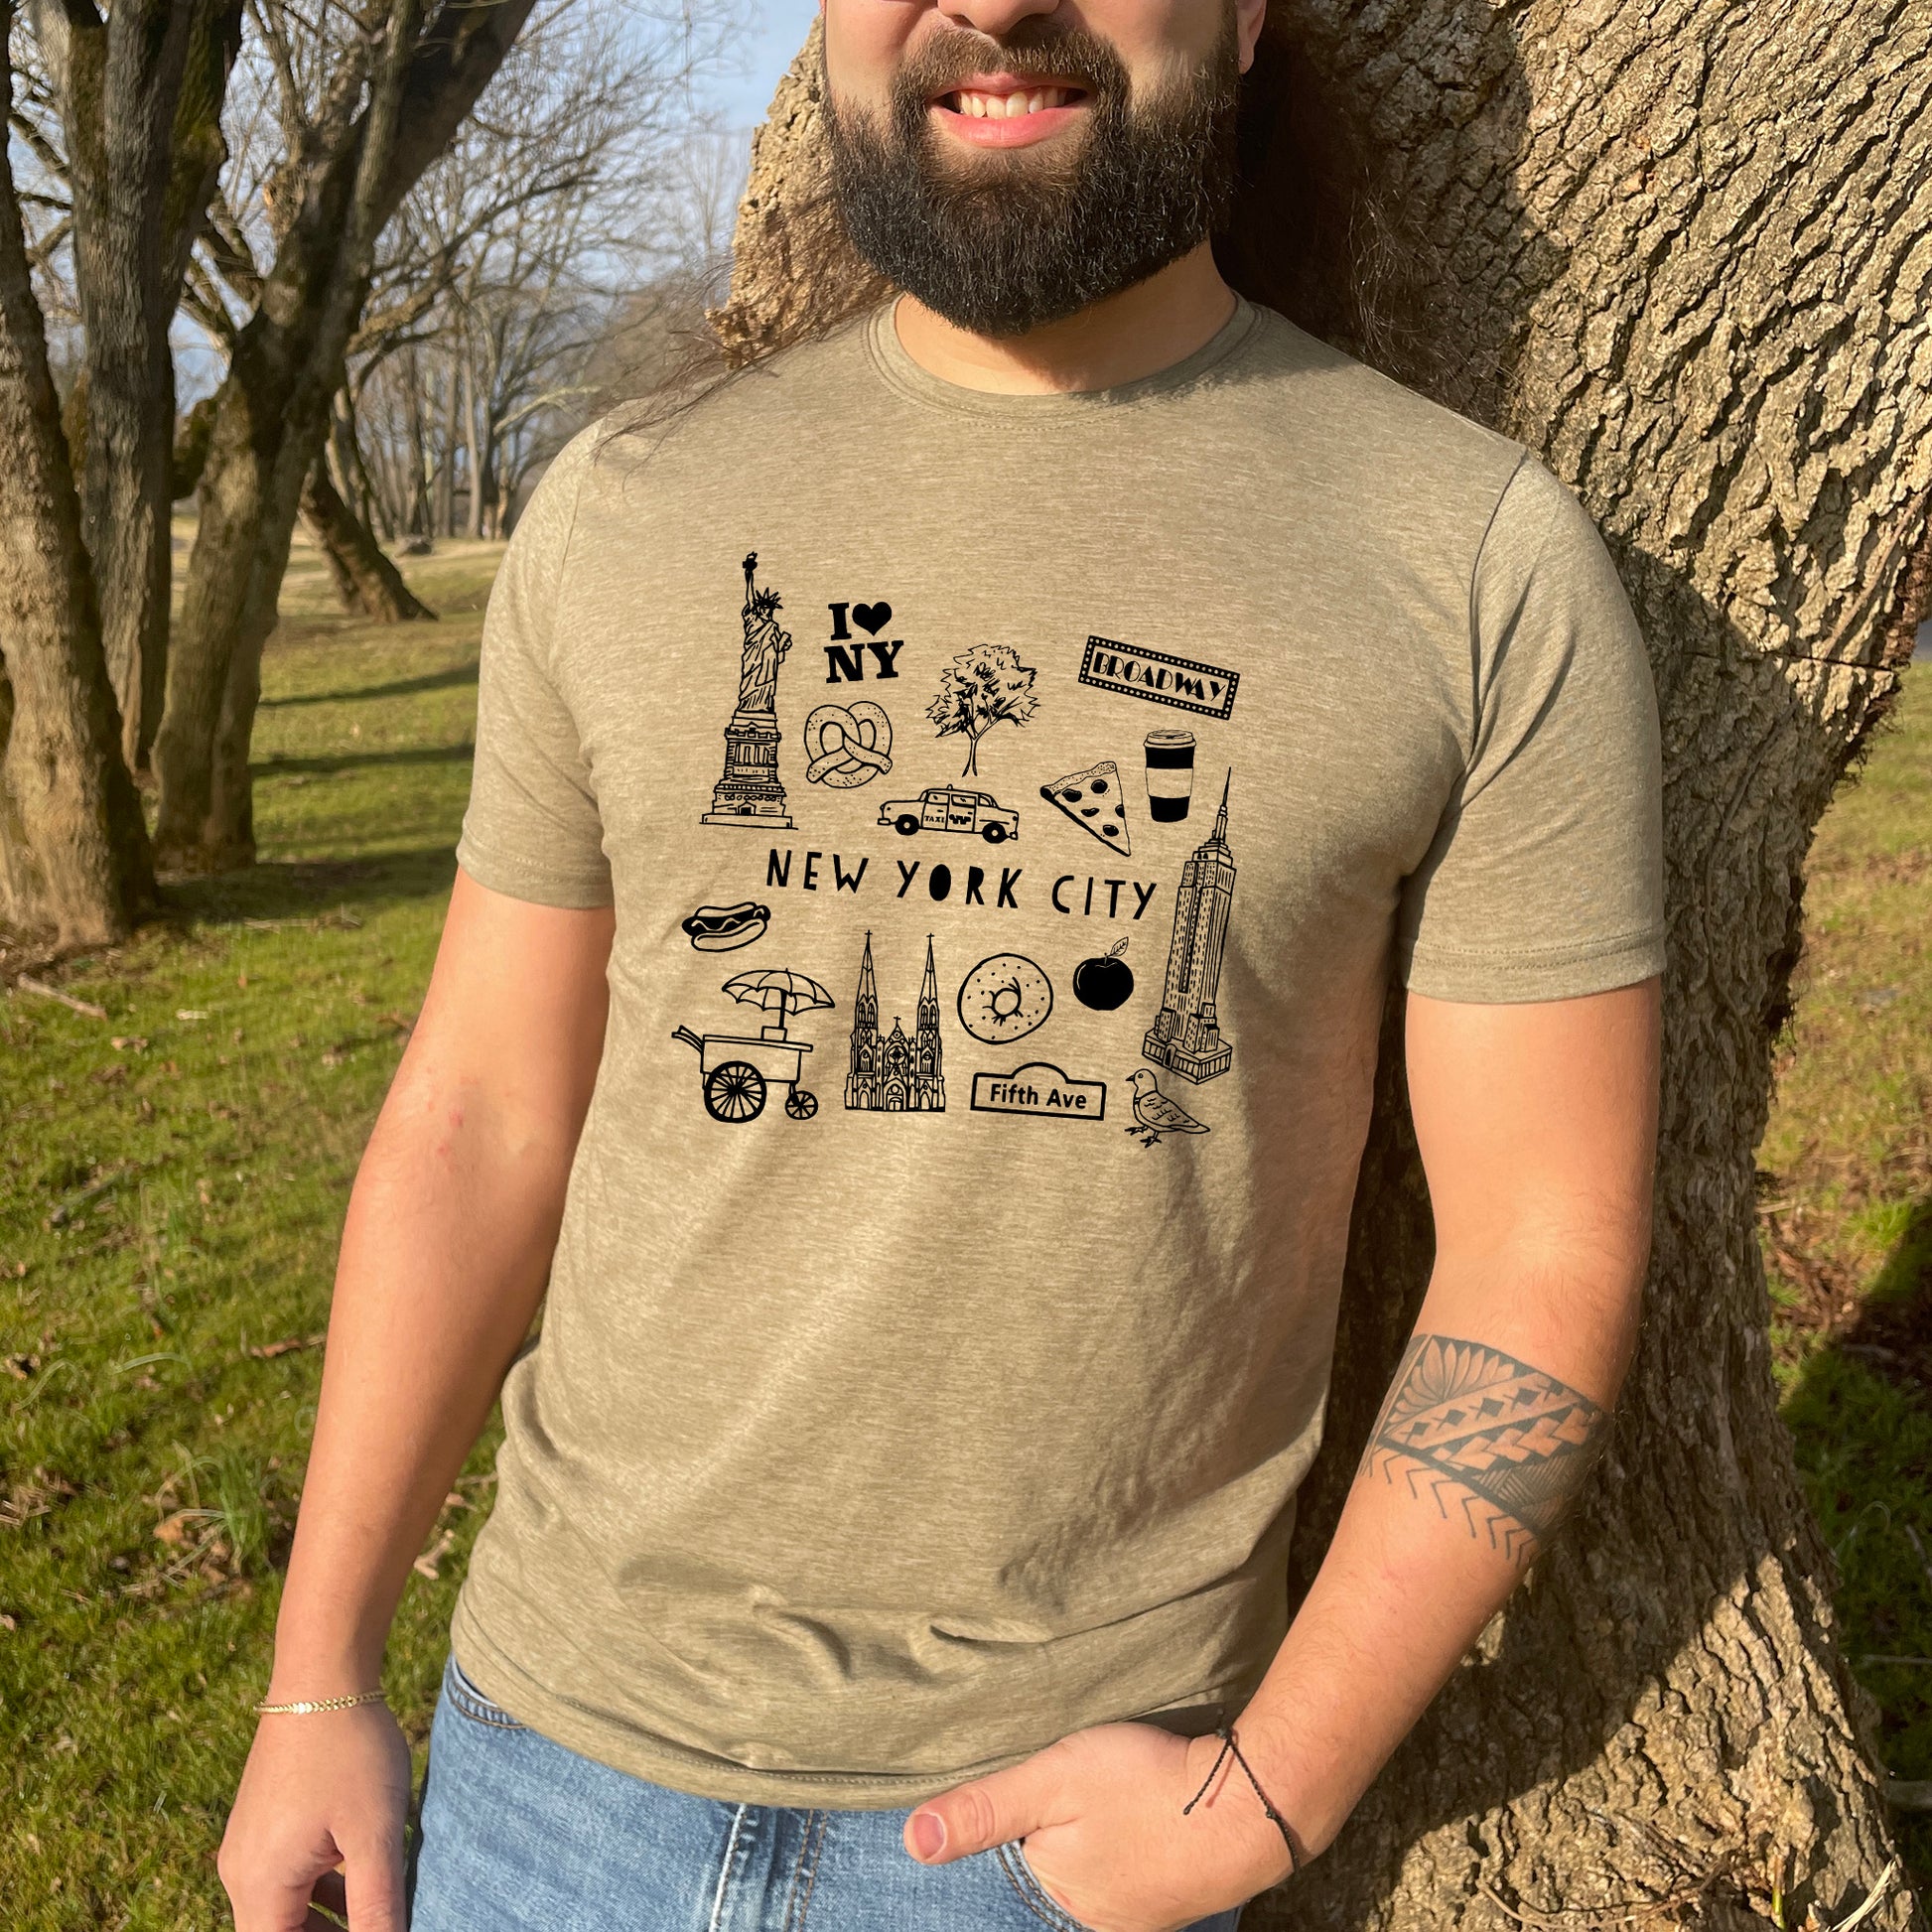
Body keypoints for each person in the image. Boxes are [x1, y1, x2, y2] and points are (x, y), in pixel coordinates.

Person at [217, 0, 1666, 1922]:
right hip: (539, 1788)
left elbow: (1543, 1242)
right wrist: (319, 1666)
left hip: (1044, 1852)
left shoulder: (1472, 564)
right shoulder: (624, 515)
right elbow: (477, 1116)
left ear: (1243, 20)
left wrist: (1264, 1790)